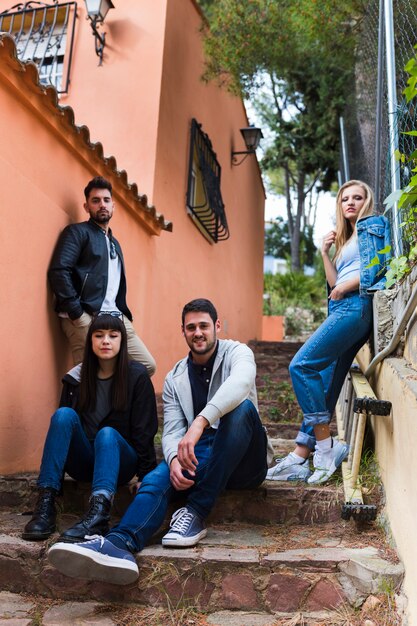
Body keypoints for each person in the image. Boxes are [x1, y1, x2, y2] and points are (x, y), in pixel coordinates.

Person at [47, 298, 269, 585]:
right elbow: (174, 430)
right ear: (183, 331)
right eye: (191, 327)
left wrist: (200, 422)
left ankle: (196, 512)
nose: (198, 332)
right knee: (157, 478)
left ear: (217, 326)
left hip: (245, 460)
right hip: (204, 455)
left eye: (204, 325)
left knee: (241, 410)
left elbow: (240, 384)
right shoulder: (175, 377)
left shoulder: (238, 353)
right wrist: (175, 459)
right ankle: (118, 543)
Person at [266, 180, 391, 485]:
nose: (350, 202)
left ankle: (324, 448)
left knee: (301, 365)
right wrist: (324, 252)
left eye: (357, 197)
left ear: (367, 200)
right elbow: (333, 281)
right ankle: (298, 457)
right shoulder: (346, 238)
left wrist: (347, 286)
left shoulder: (372, 225)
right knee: (324, 387)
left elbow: (376, 268)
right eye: (345, 198)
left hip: (354, 307)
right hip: (342, 309)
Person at [22, 313, 158, 543]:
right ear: (90, 341)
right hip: (84, 461)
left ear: (122, 341)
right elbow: (63, 433)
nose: (106, 341)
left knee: (107, 434)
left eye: (113, 335)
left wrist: (146, 475)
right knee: (63, 415)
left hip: (120, 462)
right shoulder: (75, 378)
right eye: (99, 335)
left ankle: (99, 515)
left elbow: (145, 429)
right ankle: (46, 504)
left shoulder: (137, 376)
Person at [48, 176, 156, 376]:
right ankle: (85, 408)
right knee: (88, 376)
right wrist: (77, 314)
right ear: (87, 206)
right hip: (84, 316)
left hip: (114, 316)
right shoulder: (77, 233)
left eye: (106, 200)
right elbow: (59, 271)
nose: (102, 205)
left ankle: (116, 401)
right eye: (95, 201)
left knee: (146, 366)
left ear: (113, 206)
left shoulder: (115, 244)